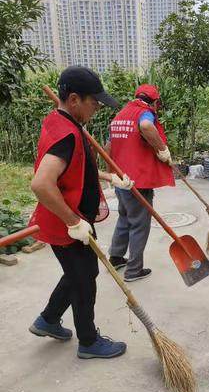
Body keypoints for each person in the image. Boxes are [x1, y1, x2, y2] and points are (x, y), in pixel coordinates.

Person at [28, 66, 134, 359]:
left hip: (65, 218)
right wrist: (74, 222)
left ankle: (48, 319)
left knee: (78, 272)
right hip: (66, 220)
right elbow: (41, 183)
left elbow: (74, 170)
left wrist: (109, 177)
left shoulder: (61, 122)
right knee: (85, 276)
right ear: (74, 99)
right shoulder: (67, 135)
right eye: (94, 102)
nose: (98, 107)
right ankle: (88, 342)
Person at [106, 84, 175, 282]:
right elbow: (146, 126)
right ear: (154, 102)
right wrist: (162, 149)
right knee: (139, 224)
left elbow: (108, 145)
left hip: (121, 177)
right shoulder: (145, 114)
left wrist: (111, 174)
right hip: (138, 181)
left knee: (124, 218)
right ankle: (134, 270)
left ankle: (116, 257)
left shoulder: (120, 115)